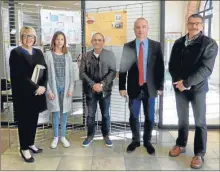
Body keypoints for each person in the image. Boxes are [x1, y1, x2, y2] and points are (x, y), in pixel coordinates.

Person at [168, 14, 218, 169]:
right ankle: (180, 144)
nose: (194, 26)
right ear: (187, 24)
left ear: (202, 26)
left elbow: (206, 69)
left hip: (198, 89)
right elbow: (172, 64)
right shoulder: (178, 43)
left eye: (197, 24)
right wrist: (179, 82)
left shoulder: (209, 44)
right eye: (191, 23)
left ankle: (199, 153)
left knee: (200, 122)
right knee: (182, 119)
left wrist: (187, 83)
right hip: (180, 88)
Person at [119, 18, 164, 154]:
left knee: (150, 117)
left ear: (147, 28)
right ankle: (135, 140)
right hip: (134, 87)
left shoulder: (156, 46)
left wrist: (160, 86)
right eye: (138, 27)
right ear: (134, 30)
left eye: (143, 27)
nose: (140, 30)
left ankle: (147, 141)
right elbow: (123, 68)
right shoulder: (128, 46)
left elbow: (160, 68)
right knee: (133, 116)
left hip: (150, 88)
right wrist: (122, 87)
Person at [9, 26, 47, 163]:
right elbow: (20, 76)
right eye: (25, 36)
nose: (28, 39)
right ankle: (24, 148)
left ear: (35, 38)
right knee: (24, 121)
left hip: (37, 94)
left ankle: (30, 143)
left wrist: (43, 86)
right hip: (23, 94)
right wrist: (36, 87)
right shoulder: (16, 53)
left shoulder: (38, 52)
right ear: (21, 38)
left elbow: (45, 70)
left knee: (33, 120)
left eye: (31, 36)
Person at [80, 33, 116, 147]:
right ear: (91, 42)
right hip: (90, 91)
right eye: (95, 40)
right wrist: (93, 84)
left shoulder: (110, 55)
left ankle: (106, 135)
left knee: (105, 114)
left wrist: (102, 84)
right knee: (90, 115)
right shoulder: (85, 56)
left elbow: (113, 72)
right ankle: (90, 135)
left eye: (100, 40)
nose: (97, 42)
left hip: (105, 91)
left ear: (103, 42)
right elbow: (82, 73)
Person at [44, 31, 74, 149]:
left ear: (64, 41)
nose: (59, 42)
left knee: (64, 113)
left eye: (62, 39)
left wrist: (71, 88)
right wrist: (49, 91)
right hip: (54, 89)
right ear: (53, 41)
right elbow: (44, 75)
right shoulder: (48, 54)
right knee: (55, 113)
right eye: (57, 39)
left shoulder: (68, 55)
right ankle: (56, 137)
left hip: (65, 88)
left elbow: (72, 74)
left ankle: (63, 136)